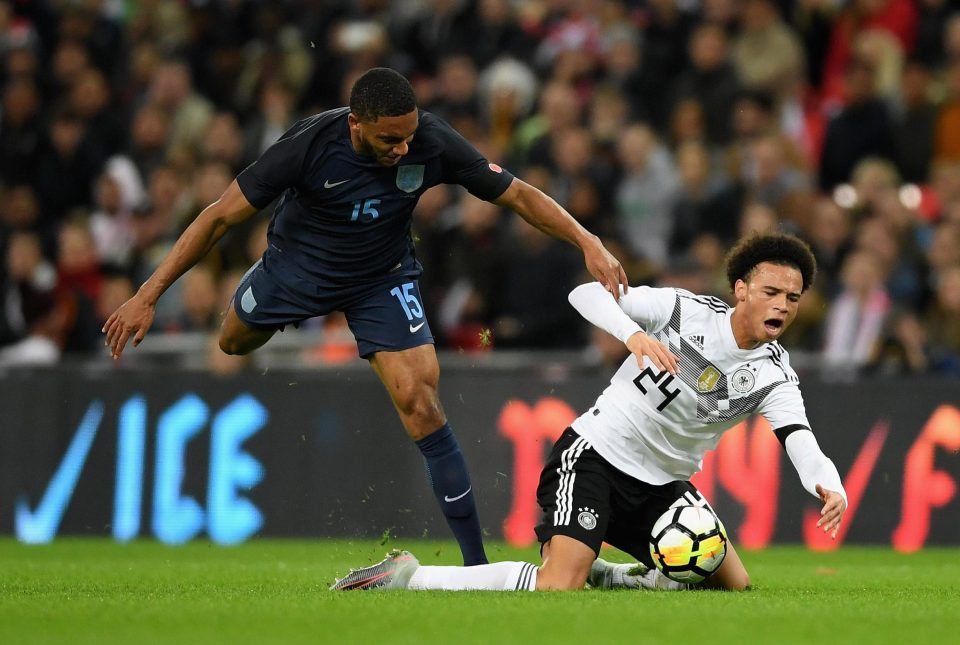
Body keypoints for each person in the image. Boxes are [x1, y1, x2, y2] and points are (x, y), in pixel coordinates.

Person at [101, 68, 627, 566]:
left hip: (383, 276)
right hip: (297, 269)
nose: (402, 150)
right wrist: (147, 294)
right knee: (232, 344)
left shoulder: (432, 140)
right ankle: (257, 289)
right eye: (388, 141)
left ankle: (475, 564)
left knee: (421, 401)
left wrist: (588, 241)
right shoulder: (305, 146)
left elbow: (516, 194)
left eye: (408, 138)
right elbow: (218, 216)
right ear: (356, 124)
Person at [331, 232, 848, 592]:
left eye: (793, 297)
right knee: (558, 585)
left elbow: (800, 440)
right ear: (741, 290)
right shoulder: (684, 311)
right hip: (596, 457)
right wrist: (633, 335)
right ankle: (409, 575)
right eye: (771, 292)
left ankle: (608, 573)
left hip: (665, 486)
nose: (782, 304)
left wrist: (829, 485)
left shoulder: (774, 374)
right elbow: (584, 293)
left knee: (732, 583)